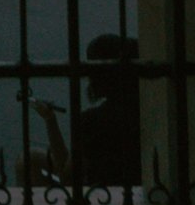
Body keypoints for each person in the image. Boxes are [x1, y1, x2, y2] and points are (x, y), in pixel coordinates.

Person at [29, 34, 140, 190]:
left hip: (99, 202)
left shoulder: (92, 120)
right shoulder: (146, 112)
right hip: (137, 191)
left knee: (28, 161)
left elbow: (67, 177)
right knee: (32, 158)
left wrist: (50, 120)